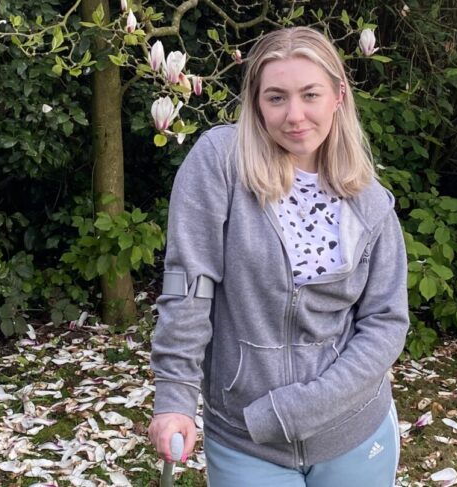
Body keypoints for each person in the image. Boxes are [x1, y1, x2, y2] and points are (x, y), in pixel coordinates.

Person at [147, 26, 409, 487]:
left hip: (354, 431)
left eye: (310, 94)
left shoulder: (371, 203)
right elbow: (188, 287)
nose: (295, 115)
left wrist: (296, 410)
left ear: (338, 96)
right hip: (247, 438)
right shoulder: (220, 163)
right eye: (276, 98)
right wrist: (175, 399)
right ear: (255, 102)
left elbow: (386, 323)